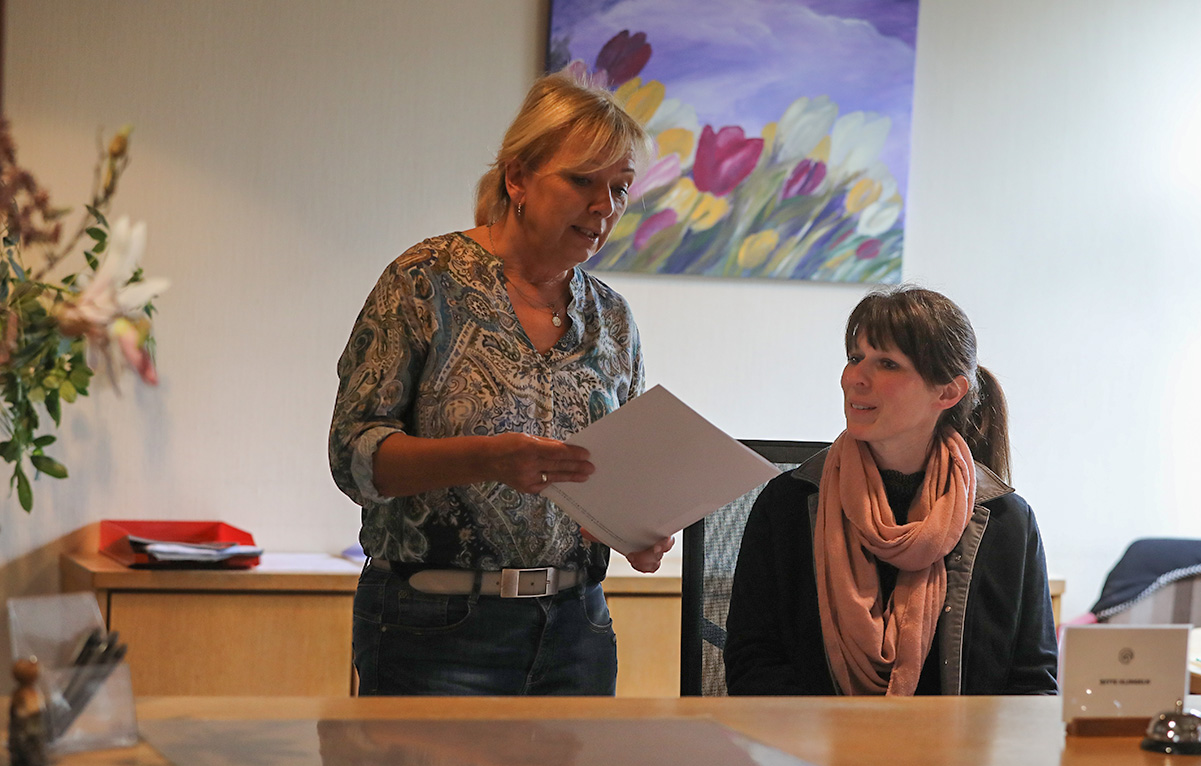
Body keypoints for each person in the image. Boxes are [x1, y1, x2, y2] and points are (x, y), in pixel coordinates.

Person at [329, 71, 672, 697]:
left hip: (577, 629)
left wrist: (635, 532)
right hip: (433, 629)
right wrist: (487, 458)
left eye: (620, 189)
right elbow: (353, 457)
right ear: (517, 178)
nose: (605, 207)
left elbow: (620, 476)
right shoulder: (424, 280)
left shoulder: (612, 318)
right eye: (582, 181)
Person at [724, 286, 1057, 696]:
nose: (855, 378)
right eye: (855, 358)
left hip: (959, 739)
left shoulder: (1006, 521)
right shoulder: (788, 504)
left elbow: (1033, 683)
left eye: (887, 364)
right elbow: (752, 667)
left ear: (948, 392)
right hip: (817, 738)